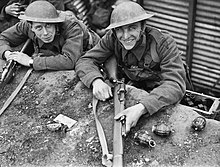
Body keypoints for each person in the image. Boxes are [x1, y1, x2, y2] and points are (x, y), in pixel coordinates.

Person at [75, 1, 187, 134]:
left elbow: (175, 84)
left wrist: (142, 107)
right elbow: (86, 60)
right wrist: (96, 81)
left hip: (162, 93)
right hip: (135, 87)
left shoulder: (163, 43)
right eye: (120, 29)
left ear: (142, 26)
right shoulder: (112, 38)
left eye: (132, 28)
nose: (126, 36)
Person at [0, 0, 100, 71]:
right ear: (31, 27)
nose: (45, 33)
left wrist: (30, 61)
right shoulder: (26, 24)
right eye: (39, 28)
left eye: (48, 26)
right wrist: (8, 54)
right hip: (56, 50)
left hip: (89, 48)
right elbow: (3, 38)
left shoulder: (71, 26)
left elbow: (70, 61)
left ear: (56, 23)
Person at [0, 0, 65, 33]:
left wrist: (30, 19)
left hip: (40, 33)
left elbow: (56, 17)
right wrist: (5, 10)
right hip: (15, 31)